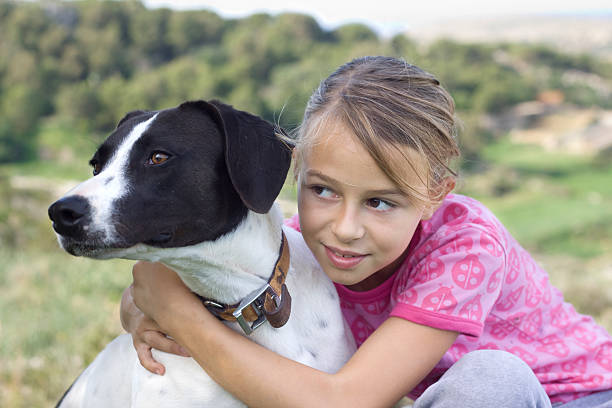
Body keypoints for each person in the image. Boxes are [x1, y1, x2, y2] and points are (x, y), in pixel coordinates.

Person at [121, 56, 612, 407]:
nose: (344, 229)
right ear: (297, 174)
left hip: (577, 397)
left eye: (380, 201)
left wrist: (179, 316)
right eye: (323, 190)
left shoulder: (466, 246)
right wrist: (140, 309)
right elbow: (177, 286)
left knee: (489, 379)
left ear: (434, 195)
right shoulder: (297, 246)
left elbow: (346, 402)